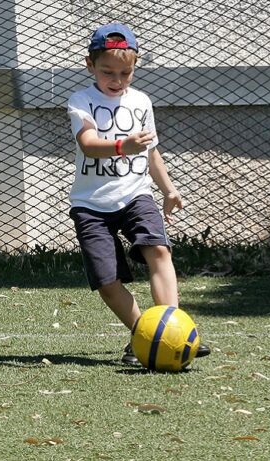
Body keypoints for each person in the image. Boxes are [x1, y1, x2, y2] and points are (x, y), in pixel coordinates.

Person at [66, 23, 210, 365]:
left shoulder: (142, 102)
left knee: (158, 250)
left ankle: (174, 332)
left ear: (135, 66)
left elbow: (151, 153)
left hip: (136, 195)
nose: (116, 80)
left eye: (125, 73)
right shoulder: (81, 101)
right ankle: (143, 335)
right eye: (108, 72)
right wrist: (121, 145)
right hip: (91, 206)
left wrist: (169, 189)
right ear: (90, 65)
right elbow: (87, 145)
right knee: (107, 281)